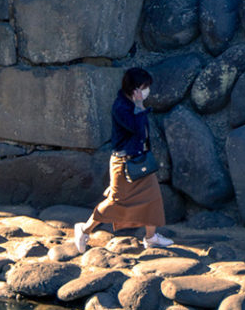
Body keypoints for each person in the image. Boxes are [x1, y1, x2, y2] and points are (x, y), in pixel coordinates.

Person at [73, 67, 172, 253]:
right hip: (124, 163)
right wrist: (140, 106)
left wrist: (139, 106)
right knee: (115, 201)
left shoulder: (130, 103)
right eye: (143, 87)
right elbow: (138, 129)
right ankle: (84, 229)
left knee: (153, 198)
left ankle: (151, 237)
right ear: (134, 88)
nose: (146, 91)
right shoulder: (121, 107)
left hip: (140, 161)